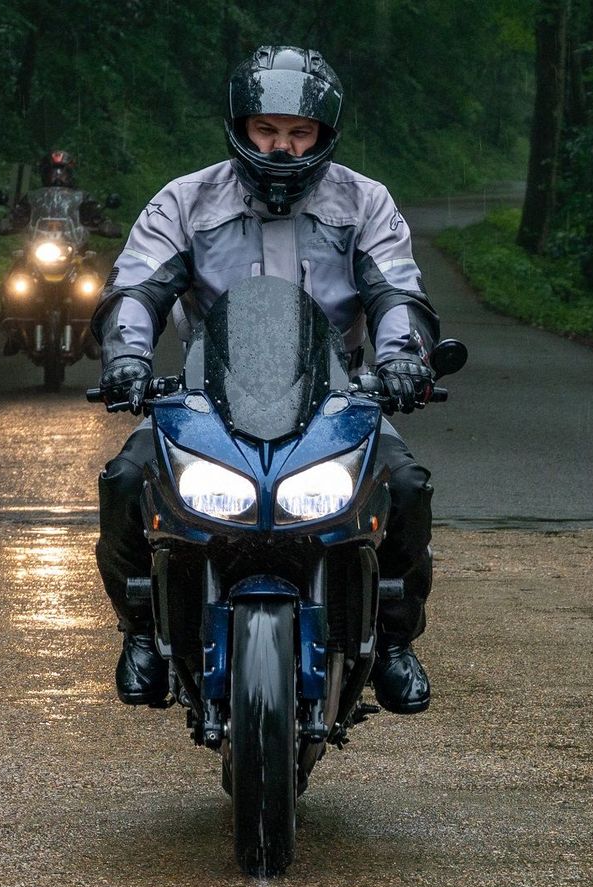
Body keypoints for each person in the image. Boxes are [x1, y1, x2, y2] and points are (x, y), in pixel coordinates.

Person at [92, 46, 440, 716]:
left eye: (299, 133)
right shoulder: (185, 201)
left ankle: (396, 641)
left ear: (323, 135)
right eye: (267, 131)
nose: (282, 148)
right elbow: (135, 287)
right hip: (204, 398)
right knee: (126, 478)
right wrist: (128, 357)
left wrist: (401, 359)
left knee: (405, 483)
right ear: (241, 127)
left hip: (338, 397)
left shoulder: (365, 202)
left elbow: (396, 291)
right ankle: (139, 630)